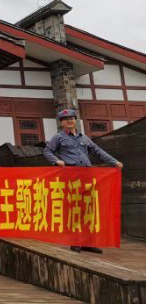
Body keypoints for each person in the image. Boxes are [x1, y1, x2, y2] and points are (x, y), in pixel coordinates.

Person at [44, 108, 123, 254]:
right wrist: (56, 161)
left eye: (71, 118)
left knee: (88, 209)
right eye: (65, 119)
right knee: (74, 209)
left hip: (87, 176)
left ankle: (88, 242)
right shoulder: (58, 137)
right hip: (72, 177)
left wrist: (114, 162)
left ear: (75, 120)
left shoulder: (84, 138)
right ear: (61, 122)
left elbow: (98, 151)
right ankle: (75, 241)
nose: (69, 121)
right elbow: (47, 151)